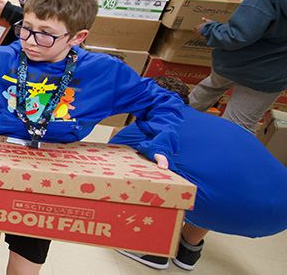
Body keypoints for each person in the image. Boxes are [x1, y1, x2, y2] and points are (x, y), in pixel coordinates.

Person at [0, 0, 185, 275]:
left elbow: (164, 103)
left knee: (25, 267)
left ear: (77, 37)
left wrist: (160, 142)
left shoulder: (104, 72)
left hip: (47, 181)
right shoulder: (0, 59)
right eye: (27, 28)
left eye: (46, 35)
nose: (31, 41)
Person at [112, 76, 287, 271]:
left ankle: (152, 246)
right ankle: (189, 248)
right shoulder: (221, 124)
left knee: (134, 161)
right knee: (207, 174)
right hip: (280, 213)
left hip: (227, 207)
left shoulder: (148, 126)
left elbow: (107, 162)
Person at [188, 0, 287, 133]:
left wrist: (208, 29)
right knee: (238, 128)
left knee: (201, 101)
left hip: (236, 63)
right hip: (272, 75)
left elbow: (238, 36)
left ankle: (161, 134)